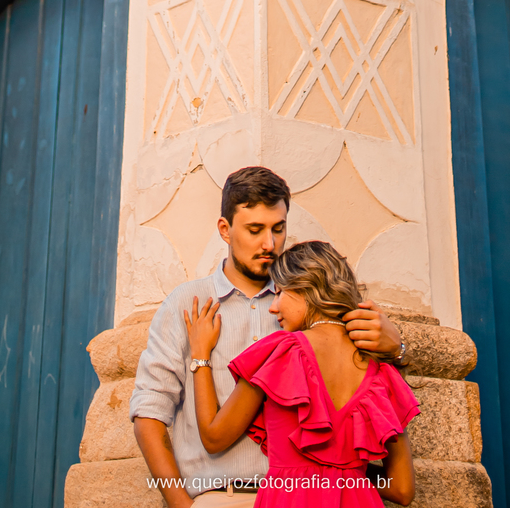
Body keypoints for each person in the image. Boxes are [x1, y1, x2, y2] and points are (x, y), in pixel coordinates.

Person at [131, 166, 405, 504]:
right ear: (225, 229)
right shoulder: (187, 304)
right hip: (225, 496)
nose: (269, 244)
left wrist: (399, 348)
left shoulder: (308, 306)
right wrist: (183, 506)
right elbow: (149, 415)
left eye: (278, 229)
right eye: (255, 229)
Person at [187, 240, 418, 505]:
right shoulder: (381, 372)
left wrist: (200, 356)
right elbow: (402, 489)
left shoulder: (282, 352)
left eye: (281, 292)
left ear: (307, 289)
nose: (273, 307)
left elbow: (214, 437)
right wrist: (344, 475)